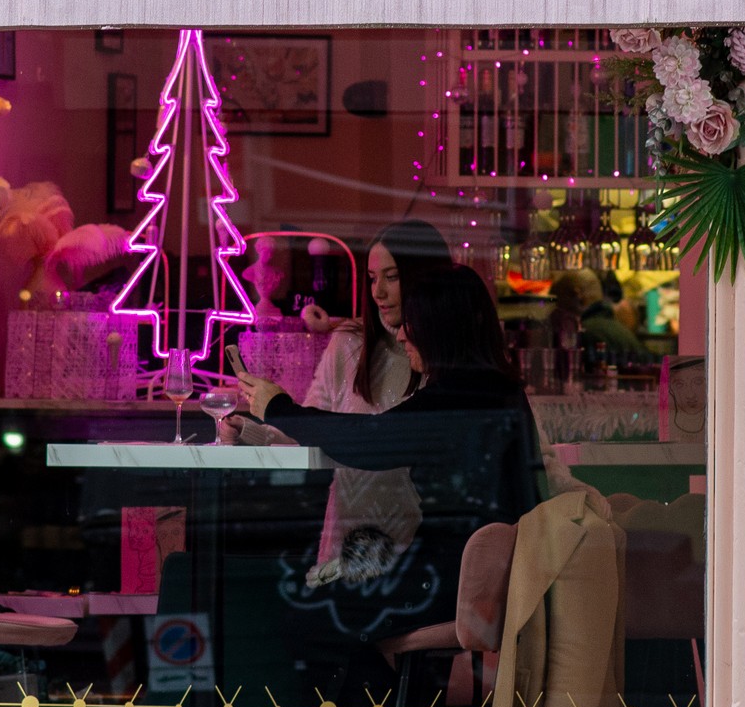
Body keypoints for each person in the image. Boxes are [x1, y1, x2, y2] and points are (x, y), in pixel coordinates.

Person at [234, 265, 547, 657]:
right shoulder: (501, 392)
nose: (400, 335)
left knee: (296, 616)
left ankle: (375, 699)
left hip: (444, 586)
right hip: (483, 584)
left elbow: (367, 441)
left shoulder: (451, 403)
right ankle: (400, 694)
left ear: (438, 329)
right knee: (321, 603)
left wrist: (278, 408)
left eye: (411, 325)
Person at [299, 218, 452, 414]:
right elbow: (308, 422)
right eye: (372, 279)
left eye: (391, 277)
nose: (378, 292)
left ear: (424, 278)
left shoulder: (449, 355)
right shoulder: (349, 341)